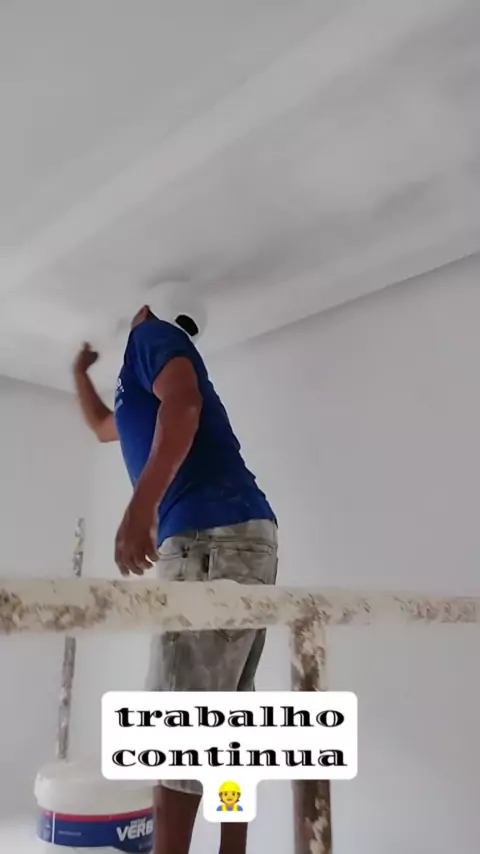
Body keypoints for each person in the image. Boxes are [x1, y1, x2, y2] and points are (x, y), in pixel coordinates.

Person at [73, 305, 277, 854]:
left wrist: (142, 508)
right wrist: (79, 374)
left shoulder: (150, 335)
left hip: (209, 535)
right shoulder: (131, 383)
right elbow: (102, 426)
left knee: (176, 729)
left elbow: (184, 405)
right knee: (228, 723)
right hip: (237, 535)